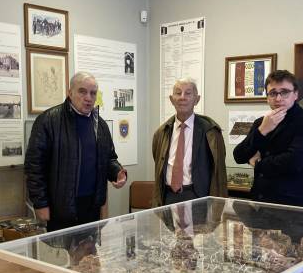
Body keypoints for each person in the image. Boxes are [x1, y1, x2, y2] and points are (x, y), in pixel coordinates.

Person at [25, 71, 127, 232]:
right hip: (59, 208)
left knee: (89, 256)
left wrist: (117, 172)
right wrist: (40, 203)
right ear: (70, 92)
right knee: (61, 256)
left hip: (92, 207)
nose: (88, 97)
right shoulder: (48, 121)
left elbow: (108, 159)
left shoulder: (100, 125)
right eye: (82, 91)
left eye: (93, 93)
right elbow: (34, 167)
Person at [233, 70, 303, 207]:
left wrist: (258, 163)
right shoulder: (261, 122)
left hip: (291, 207)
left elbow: (293, 162)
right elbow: (238, 156)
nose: (278, 98)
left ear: (295, 94)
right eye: (273, 93)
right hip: (259, 203)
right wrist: (262, 130)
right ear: (267, 97)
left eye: (284, 92)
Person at [152, 78, 227, 206]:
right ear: (171, 99)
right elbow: (158, 160)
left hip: (197, 197)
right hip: (168, 197)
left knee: (199, 227)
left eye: (188, 93)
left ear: (196, 99)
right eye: (178, 93)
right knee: (167, 227)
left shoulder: (210, 132)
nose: (182, 97)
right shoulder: (161, 133)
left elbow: (219, 170)